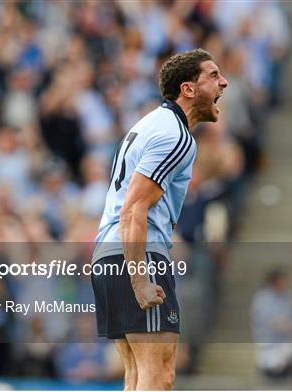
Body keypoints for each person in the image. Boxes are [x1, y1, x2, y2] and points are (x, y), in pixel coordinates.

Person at [91, 48, 228, 390]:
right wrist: (139, 279)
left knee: (137, 374)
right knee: (159, 374)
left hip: (108, 253)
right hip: (138, 254)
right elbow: (134, 208)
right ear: (189, 89)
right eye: (213, 75)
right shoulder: (175, 135)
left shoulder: (151, 124)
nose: (223, 82)